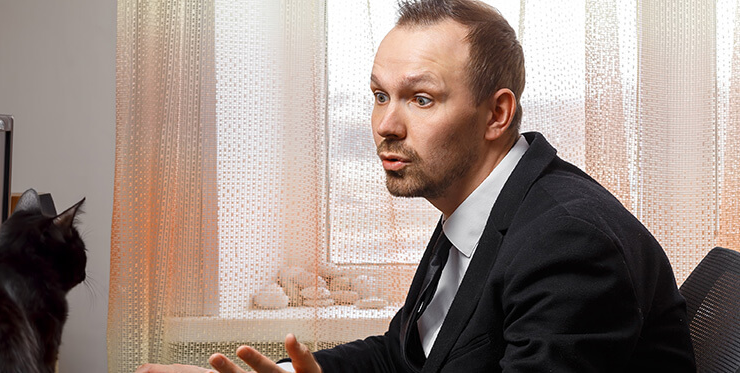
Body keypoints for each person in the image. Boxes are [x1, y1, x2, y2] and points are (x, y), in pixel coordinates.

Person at [138, 0, 696, 371]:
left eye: (421, 99)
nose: (386, 125)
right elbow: (404, 356)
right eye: (381, 95)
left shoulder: (570, 243)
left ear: (497, 114)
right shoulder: (475, 212)